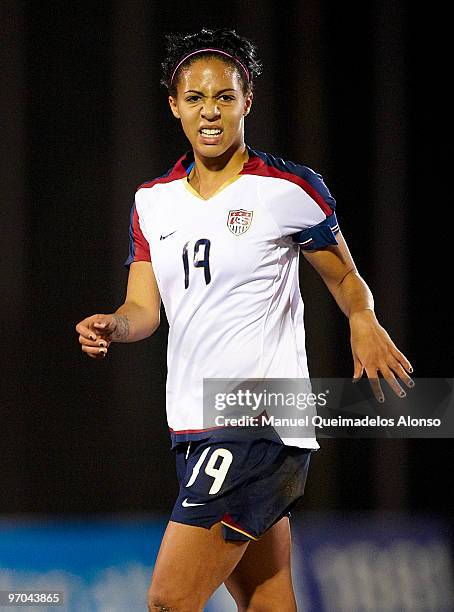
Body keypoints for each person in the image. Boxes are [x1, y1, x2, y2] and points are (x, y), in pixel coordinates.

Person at [75, 28, 414, 612]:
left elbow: (344, 278)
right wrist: (114, 325)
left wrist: (364, 317)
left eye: (225, 97)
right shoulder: (152, 201)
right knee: (266, 600)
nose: (211, 111)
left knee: (167, 601)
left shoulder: (286, 188)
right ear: (175, 105)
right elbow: (144, 310)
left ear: (247, 100)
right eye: (197, 98)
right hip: (192, 425)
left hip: (255, 421)